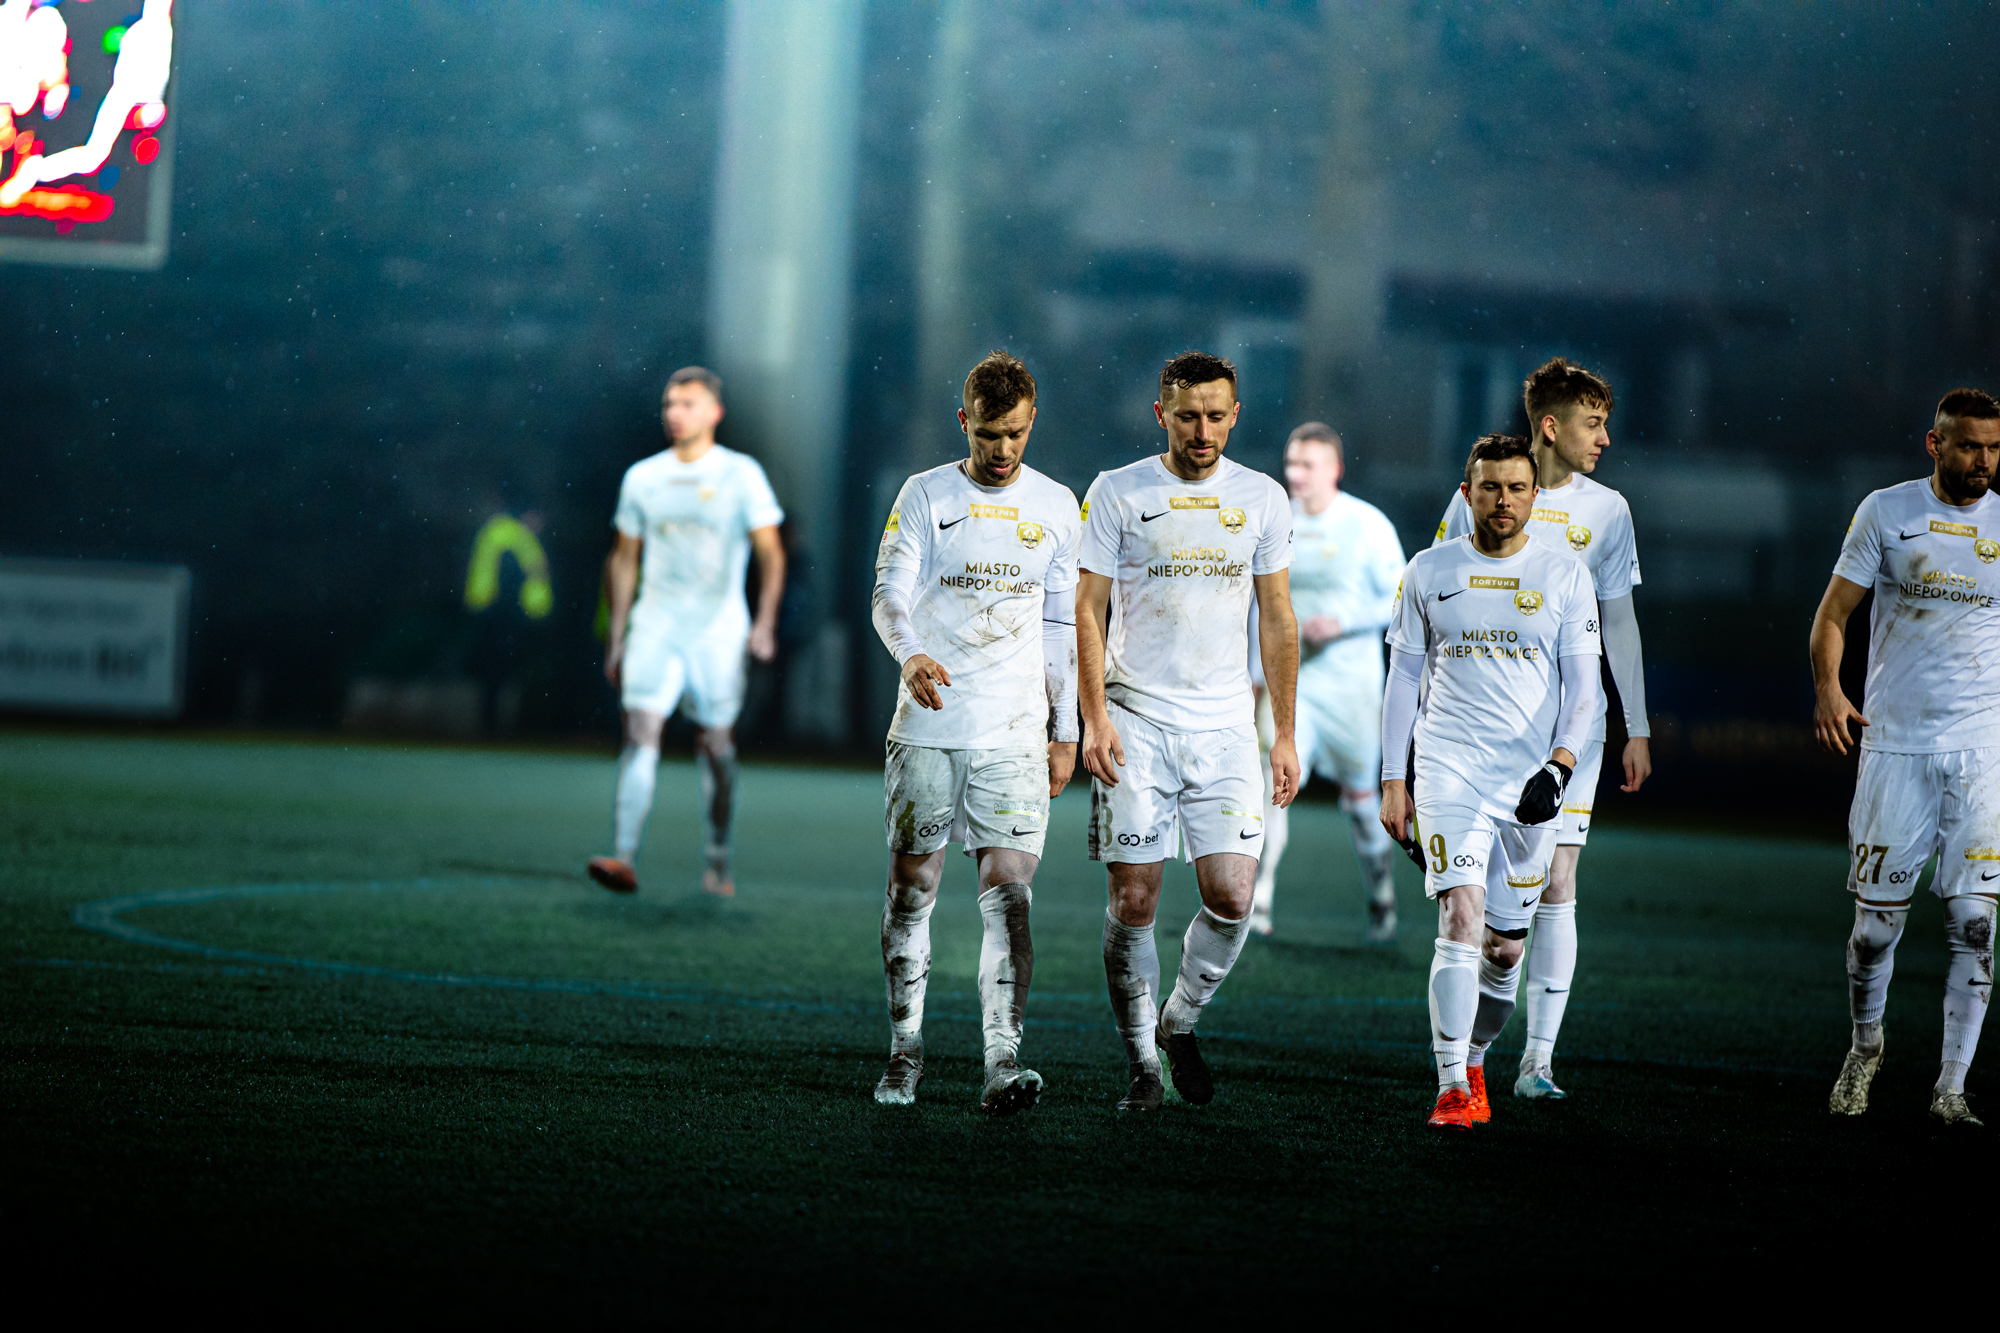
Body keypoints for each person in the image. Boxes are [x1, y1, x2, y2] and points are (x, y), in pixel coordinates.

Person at [1079, 350, 1298, 1112]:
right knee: (1135, 899)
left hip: (1227, 725)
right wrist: (1094, 716)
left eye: (1215, 416)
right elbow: (1087, 608)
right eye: (1186, 416)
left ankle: (1179, 1019)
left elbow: (1277, 616)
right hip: (1136, 718)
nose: (1202, 431)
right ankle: (1143, 1063)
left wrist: (1283, 732)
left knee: (1233, 894)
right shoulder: (1117, 491)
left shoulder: (1263, 498)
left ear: (1236, 415)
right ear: (1160, 414)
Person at [868, 350, 1081, 1115]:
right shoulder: (925, 494)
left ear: (1033, 422)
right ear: (965, 422)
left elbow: (1061, 625)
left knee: (1011, 892)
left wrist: (1067, 728)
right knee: (912, 887)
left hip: (1016, 731)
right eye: (990, 434)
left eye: (1016, 433)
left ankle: (1001, 1061)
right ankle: (905, 1051)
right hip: (930, 725)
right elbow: (888, 594)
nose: (1002, 449)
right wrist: (910, 653)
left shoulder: (1058, 505)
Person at [1431, 357, 1649, 1099]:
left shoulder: (1608, 510)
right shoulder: (1480, 492)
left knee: (1559, 881)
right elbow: (1440, 606)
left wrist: (1636, 723)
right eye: (1594, 424)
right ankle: (1470, 1050)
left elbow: (1619, 621)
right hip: (1481, 736)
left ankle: (1538, 1062)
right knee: (1485, 916)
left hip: (1573, 737)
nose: (1605, 439)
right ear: (1551, 426)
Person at [1382, 434, 1601, 1131]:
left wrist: (1559, 766)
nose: (1502, 500)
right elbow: (1402, 680)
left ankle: (1475, 1056)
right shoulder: (1429, 569)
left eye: (1516, 488)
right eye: (1489, 487)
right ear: (1467, 492)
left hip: (1530, 781)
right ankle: (1451, 1086)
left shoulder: (1565, 575)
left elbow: (1585, 689)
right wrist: (1394, 778)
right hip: (1449, 770)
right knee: (1460, 915)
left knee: (1505, 950)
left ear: (1534, 495)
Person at [1814, 386, 2000, 1128]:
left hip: (1982, 752)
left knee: (1976, 925)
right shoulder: (1886, 512)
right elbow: (1833, 614)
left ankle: (1951, 1089)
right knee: (1874, 932)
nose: (1983, 460)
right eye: (1969, 445)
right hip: (1895, 744)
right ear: (1935, 443)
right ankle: (1866, 1046)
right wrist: (1829, 688)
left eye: (1994, 447)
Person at [588, 367, 785, 898]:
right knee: (640, 735)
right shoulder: (643, 477)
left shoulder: (740, 474)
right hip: (656, 626)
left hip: (718, 633)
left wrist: (765, 623)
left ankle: (717, 860)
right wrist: (618, 635)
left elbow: (771, 552)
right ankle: (623, 857)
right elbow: (623, 558)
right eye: (669, 404)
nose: (674, 413)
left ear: (714, 412)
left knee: (716, 746)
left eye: (687, 404)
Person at [1249, 422, 1405, 942]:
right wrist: (1254, 675)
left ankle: (1381, 899)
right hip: (1290, 689)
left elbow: (1403, 601)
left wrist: (1343, 622)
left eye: (1307, 464)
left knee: (1362, 803)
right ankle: (1258, 904)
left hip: (1351, 689)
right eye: (1291, 463)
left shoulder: (1367, 525)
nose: (1295, 474)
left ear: (1334, 469)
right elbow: (1258, 608)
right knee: (1269, 788)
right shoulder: (1276, 522)